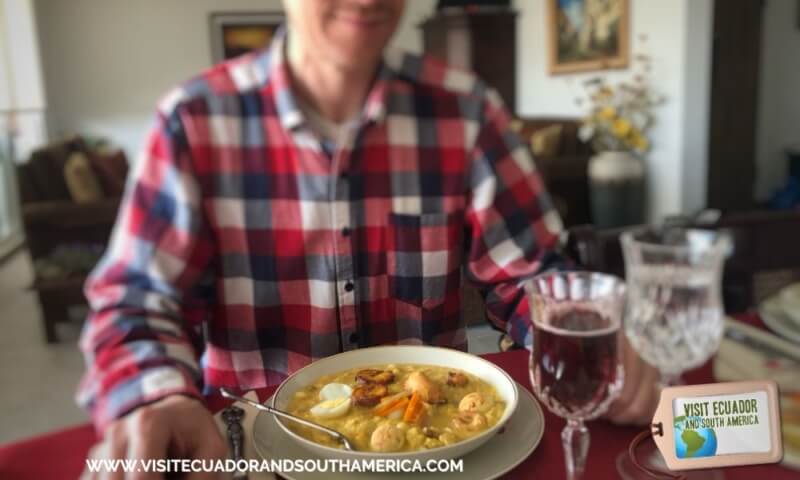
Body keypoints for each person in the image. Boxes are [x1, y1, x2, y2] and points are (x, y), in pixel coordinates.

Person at [79, 0, 660, 476]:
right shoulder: (194, 120)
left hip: (447, 456)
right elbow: (137, 298)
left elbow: (528, 275)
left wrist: (584, 325)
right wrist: (153, 393)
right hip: (252, 454)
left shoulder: (468, 113)